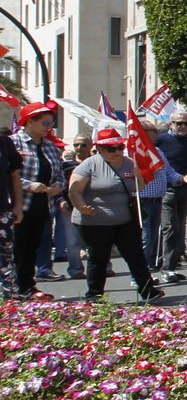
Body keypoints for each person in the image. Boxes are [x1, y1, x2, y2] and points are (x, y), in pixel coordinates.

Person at [68, 127, 160, 302]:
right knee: (98, 258)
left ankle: (148, 291)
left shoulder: (129, 163)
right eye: (112, 148)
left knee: (135, 255)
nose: (117, 151)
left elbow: (138, 189)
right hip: (95, 221)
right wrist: (81, 207)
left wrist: (139, 176)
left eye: (120, 147)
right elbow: (74, 190)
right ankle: (94, 295)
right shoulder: (89, 164)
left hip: (124, 219)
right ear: (101, 149)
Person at [14, 103, 66, 299]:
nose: (48, 126)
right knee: (17, 247)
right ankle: (14, 287)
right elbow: (8, 175)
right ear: (29, 122)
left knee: (32, 246)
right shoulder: (15, 143)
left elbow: (59, 174)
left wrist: (58, 186)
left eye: (51, 123)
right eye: (44, 122)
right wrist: (29, 185)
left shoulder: (50, 146)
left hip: (43, 205)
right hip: (20, 204)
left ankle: (28, 286)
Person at [154, 110, 187, 282]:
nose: (182, 127)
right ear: (171, 124)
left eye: (186, 124)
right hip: (167, 188)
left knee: (180, 226)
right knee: (169, 227)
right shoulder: (162, 139)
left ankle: (173, 262)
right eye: (179, 123)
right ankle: (166, 266)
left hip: (185, 187)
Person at [135, 121, 169, 272]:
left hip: (157, 200)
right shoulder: (134, 152)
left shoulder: (157, 151)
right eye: (152, 130)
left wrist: (181, 178)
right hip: (142, 200)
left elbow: (168, 171)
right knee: (146, 237)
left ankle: (146, 266)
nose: (156, 133)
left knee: (152, 237)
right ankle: (139, 273)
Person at [58, 133, 92, 281]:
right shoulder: (66, 166)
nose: (79, 148)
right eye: (76, 145)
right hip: (71, 208)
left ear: (90, 146)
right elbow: (58, 183)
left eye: (83, 145)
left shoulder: (97, 163)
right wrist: (60, 199)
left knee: (99, 241)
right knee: (73, 242)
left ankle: (105, 267)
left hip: (94, 207)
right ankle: (76, 269)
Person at [0, 115, 21, 297]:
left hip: (2, 210)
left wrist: (18, 205)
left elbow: (15, 176)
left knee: (5, 256)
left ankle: (7, 299)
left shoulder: (5, 143)